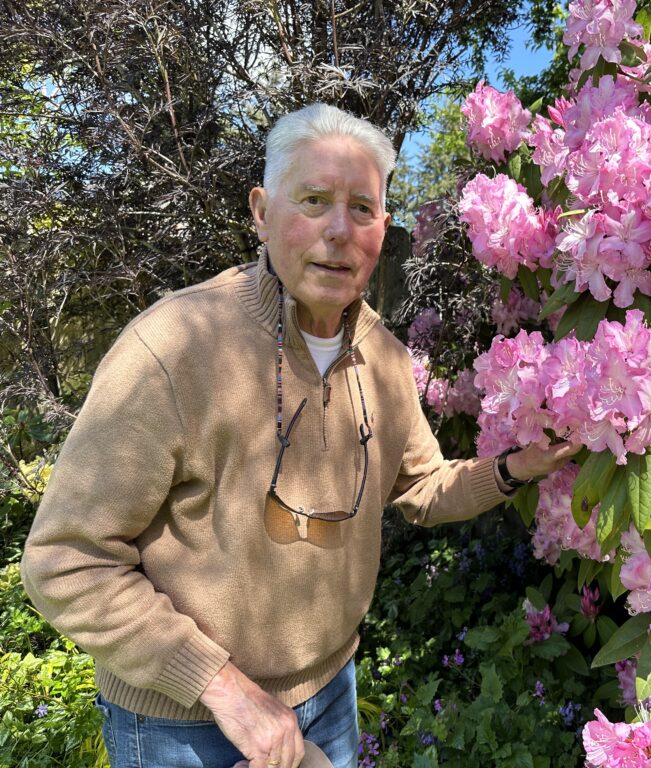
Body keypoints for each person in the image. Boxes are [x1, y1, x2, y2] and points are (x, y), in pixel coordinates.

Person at [20, 103, 579, 768]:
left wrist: (520, 466)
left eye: (362, 209)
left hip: (330, 694)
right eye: (313, 200)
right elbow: (65, 561)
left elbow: (424, 488)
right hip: (185, 725)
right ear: (260, 211)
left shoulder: (389, 362)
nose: (339, 230)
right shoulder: (171, 348)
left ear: (383, 229)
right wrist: (220, 687)